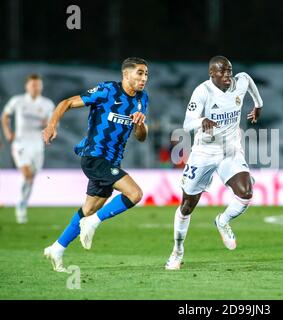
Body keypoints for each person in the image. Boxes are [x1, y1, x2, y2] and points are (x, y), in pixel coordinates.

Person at [42, 57, 149, 272]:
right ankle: (93, 223)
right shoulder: (108, 90)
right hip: (94, 157)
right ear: (126, 74)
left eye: (146, 74)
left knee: (89, 209)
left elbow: (141, 137)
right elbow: (67, 103)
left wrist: (140, 124)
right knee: (135, 194)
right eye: (139, 73)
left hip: (112, 161)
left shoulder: (142, 99)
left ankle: (57, 248)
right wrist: (51, 125)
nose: (144, 78)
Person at [165, 55, 263, 270]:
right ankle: (177, 251)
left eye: (229, 70)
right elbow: (187, 122)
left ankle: (222, 221)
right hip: (204, 152)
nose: (228, 74)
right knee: (187, 206)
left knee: (245, 193)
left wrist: (258, 104)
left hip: (230, 151)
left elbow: (248, 80)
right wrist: (202, 120)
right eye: (223, 71)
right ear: (212, 73)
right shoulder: (203, 91)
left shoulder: (240, 81)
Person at [1, 74, 54, 223]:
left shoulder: (47, 104)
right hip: (20, 143)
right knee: (27, 174)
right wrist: (7, 132)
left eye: (37, 85)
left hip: (37, 145)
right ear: (27, 86)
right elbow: (5, 116)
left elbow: (53, 124)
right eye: (32, 85)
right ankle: (21, 206)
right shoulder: (18, 101)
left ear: (41, 87)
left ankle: (22, 202)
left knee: (31, 177)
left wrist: (48, 126)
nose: (35, 87)